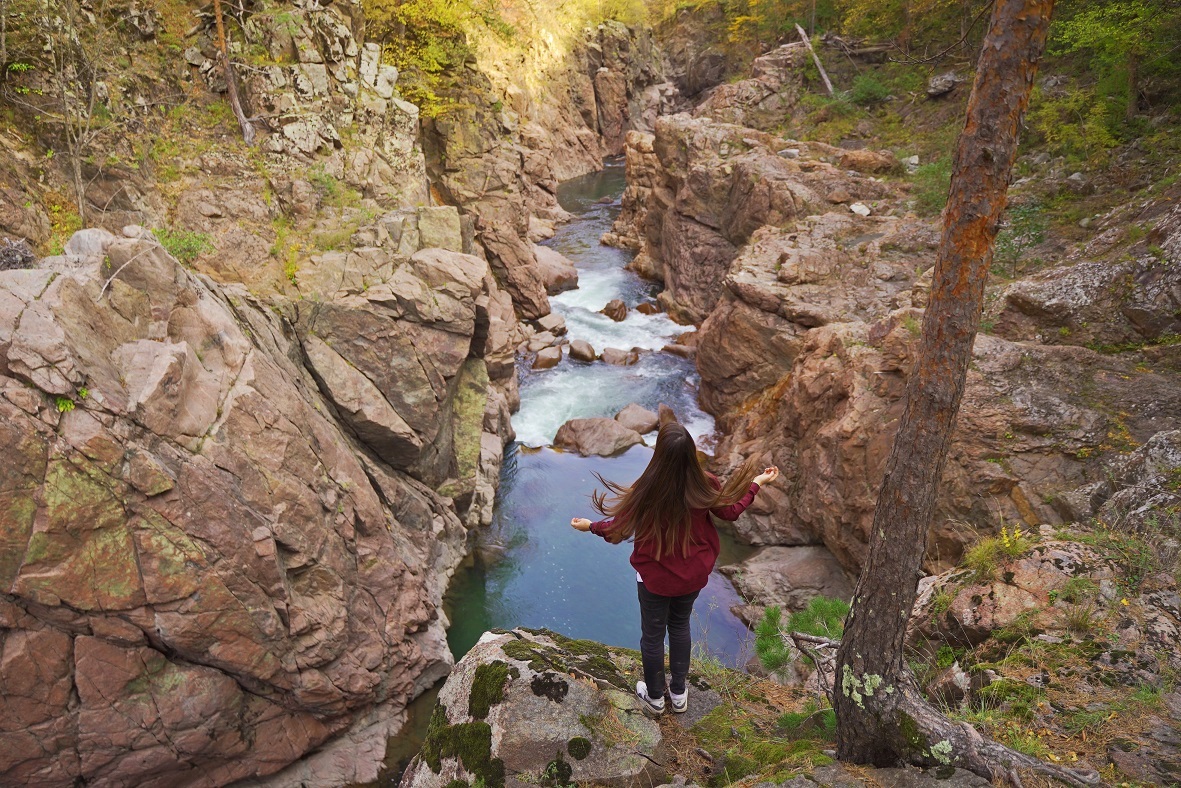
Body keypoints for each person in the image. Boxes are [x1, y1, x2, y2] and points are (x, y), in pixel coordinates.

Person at [570, 422, 779, 716]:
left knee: (652, 636)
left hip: (654, 578)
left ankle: (655, 698)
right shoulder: (706, 483)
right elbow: (731, 511)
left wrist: (590, 526)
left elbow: (617, 526)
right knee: (680, 626)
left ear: (659, 456)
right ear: (691, 454)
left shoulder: (647, 489)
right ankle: (679, 694)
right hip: (692, 575)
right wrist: (756, 483)